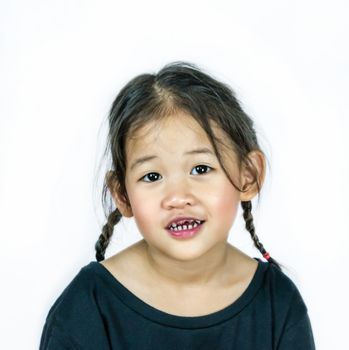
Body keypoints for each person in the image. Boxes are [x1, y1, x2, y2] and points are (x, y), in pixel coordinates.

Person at [39, 61, 316, 349]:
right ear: (122, 195)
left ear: (248, 175)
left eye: (200, 169)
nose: (177, 197)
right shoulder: (87, 307)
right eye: (152, 176)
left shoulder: (278, 304)